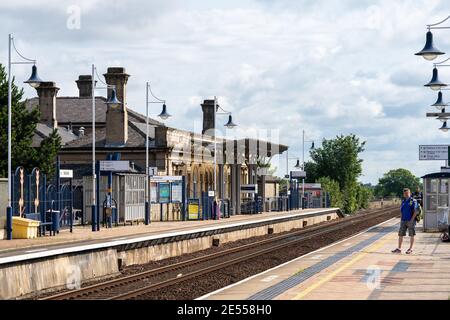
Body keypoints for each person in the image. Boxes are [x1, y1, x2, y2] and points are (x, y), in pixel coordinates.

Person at [392, 188, 418, 255]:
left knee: (411, 234)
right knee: (400, 234)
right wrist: (401, 218)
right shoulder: (403, 201)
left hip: (410, 220)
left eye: (407, 193)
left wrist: (412, 220)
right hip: (403, 220)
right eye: (405, 193)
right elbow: (401, 210)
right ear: (403, 194)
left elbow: (416, 211)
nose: (406, 194)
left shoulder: (413, 201)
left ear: (410, 193)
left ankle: (410, 249)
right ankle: (399, 248)